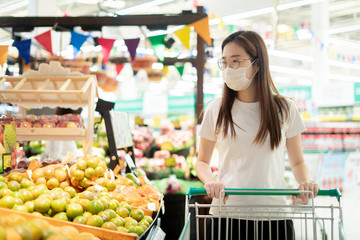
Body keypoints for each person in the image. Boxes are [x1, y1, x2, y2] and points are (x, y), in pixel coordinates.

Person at [195, 30, 319, 239]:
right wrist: (210, 181)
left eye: (236, 61)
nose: (229, 68)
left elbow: (297, 162)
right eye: (225, 62)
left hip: (275, 215)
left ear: (257, 64)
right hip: (227, 214)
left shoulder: (285, 108)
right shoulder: (216, 108)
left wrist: (305, 182)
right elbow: (201, 162)